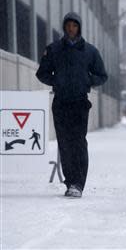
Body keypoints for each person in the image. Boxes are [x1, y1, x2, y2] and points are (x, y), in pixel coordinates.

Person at [36, 12, 107, 198]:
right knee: (64, 144)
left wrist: (86, 81)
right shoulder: (54, 49)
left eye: (74, 25)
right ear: (64, 27)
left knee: (78, 143)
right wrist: (56, 81)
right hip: (60, 103)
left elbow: (102, 75)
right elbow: (41, 73)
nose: (71, 28)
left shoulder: (90, 51)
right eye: (68, 25)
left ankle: (78, 183)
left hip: (80, 103)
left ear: (79, 28)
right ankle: (70, 183)